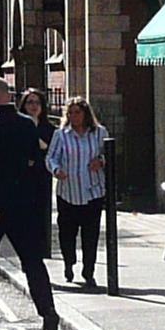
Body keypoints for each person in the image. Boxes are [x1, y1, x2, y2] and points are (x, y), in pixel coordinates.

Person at [0, 76, 59, 330]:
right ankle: (48, 314)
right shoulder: (27, 124)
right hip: (23, 203)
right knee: (32, 261)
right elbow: (32, 161)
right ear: (8, 95)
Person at [48, 98, 111, 287]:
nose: (74, 117)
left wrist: (100, 160)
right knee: (67, 234)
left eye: (77, 113)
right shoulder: (61, 135)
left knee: (90, 235)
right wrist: (56, 170)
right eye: (70, 113)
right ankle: (69, 263)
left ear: (85, 114)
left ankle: (88, 272)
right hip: (68, 192)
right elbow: (51, 157)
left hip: (93, 191)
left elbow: (109, 152)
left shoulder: (99, 133)